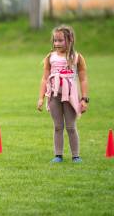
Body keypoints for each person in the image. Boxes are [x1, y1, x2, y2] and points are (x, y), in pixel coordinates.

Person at [37, 25, 89, 163]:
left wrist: (84, 99)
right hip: (54, 96)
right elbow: (44, 78)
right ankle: (58, 155)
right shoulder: (50, 57)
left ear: (70, 40)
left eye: (60, 40)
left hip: (70, 96)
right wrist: (41, 98)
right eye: (55, 40)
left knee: (71, 127)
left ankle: (76, 156)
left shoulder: (77, 57)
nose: (57, 44)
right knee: (58, 126)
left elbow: (83, 79)